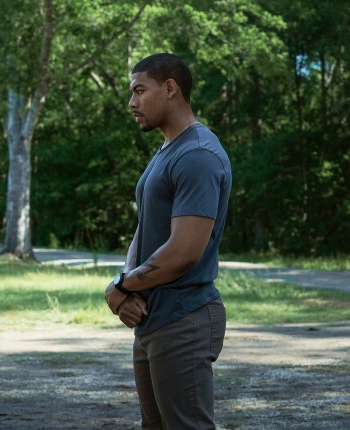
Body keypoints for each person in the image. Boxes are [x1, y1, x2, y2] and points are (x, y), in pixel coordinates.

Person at [104, 53, 232, 429]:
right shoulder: (167, 151)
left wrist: (121, 286)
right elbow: (145, 231)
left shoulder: (198, 154)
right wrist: (125, 287)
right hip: (154, 318)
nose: (132, 102)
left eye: (139, 91)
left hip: (184, 318)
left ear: (171, 88)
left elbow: (182, 253)